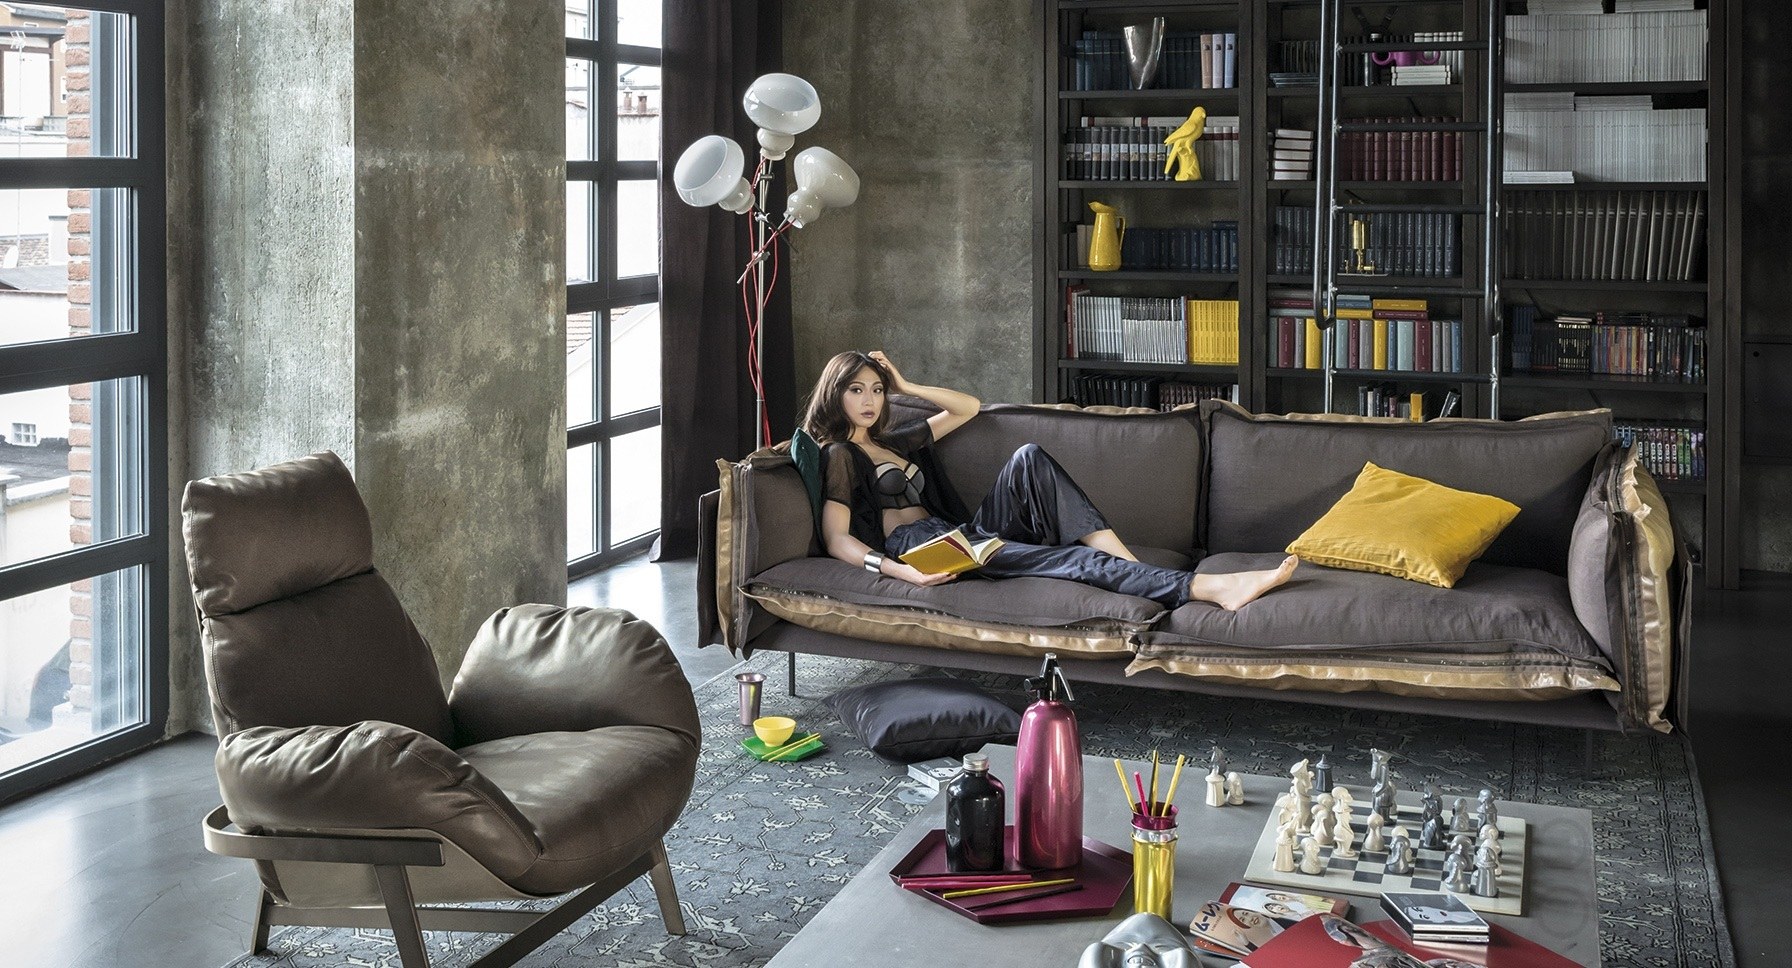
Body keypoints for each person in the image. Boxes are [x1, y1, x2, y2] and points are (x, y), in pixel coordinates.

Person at [802, 350, 1298, 609]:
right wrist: (902, 572)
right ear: (835, 393)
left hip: (958, 534)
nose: (869, 400)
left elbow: (967, 407)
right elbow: (837, 539)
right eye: (856, 390)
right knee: (1076, 559)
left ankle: (1131, 569)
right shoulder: (841, 454)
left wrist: (905, 384)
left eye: (876, 390)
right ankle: (1211, 588)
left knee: (1029, 457)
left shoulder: (896, 441)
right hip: (920, 548)